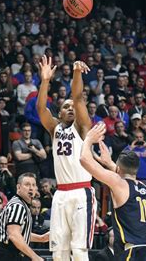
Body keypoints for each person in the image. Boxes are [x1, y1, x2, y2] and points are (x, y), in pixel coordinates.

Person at [36, 56, 96, 261]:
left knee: (79, 251)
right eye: (65, 106)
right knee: (59, 251)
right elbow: (41, 109)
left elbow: (78, 98)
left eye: (72, 107)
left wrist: (77, 72)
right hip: (60, 194)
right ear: (59, 113)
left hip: (81, 191)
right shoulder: (54, 128)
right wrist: (45, 81)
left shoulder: (82, 126)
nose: (71, 108)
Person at [80, 123, 146, 260]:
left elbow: (84, 160)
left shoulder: (119, 183)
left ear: (119, 170)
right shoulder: (143, 187)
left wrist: (88, 139)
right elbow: (124, 173)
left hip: (137, 252)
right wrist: (109, 163)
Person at [0, 173, 49, 261]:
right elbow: (14, 235)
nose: (31, 188)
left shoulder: (22, 204)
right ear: (18, 187)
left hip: (9, 252)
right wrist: (35, 257)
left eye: (33, 185)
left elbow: (20, 233)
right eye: (27, 184)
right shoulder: (18, 205)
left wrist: (41, 238)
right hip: (6, 253)